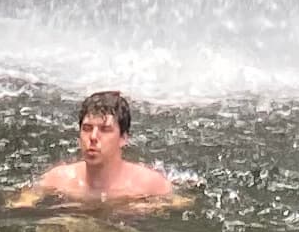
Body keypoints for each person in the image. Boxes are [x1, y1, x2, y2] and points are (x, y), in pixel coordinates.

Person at [13, 89, 184, 208]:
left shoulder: (150, 186)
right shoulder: (59, 179)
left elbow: (181, 205)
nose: (93, 137)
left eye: (105, 129)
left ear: (123, 138)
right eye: (87, 129)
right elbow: (22, 202)